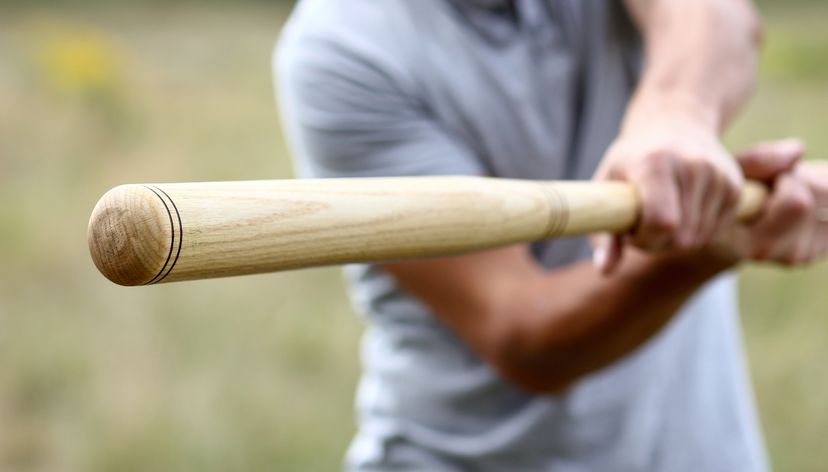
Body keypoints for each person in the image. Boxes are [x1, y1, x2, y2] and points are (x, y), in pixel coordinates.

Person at [274, 0, 828, 470]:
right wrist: (703, 250)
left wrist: (675, 115)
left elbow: (718, 16)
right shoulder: (342, 46)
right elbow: (524, 337)